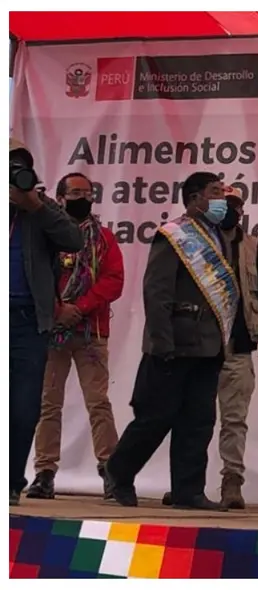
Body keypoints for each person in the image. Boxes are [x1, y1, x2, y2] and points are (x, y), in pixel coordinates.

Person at [105, 172, 236, 511]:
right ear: (194, 198)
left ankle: (187, 490)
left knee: (199, 421)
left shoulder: (218, 236)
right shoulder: (174, 236)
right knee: (155, 416)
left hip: (208, 346)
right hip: (174, 342)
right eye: (214, 192)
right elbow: (157, 290)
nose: (221, 199)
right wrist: (161, 340)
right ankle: (118, 471)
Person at [160, 187, 258, 510]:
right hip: (199, 347)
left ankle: (232, 481)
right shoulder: (195, 243)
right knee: (192, 419)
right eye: (225, 204)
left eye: (236, 205)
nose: (231, 210)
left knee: (234, 419)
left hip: (238, 346)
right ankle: (186, 484)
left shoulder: (254, 246)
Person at [27, 173, 125, 501]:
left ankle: (111, 472)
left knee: (99, 402)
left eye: (87, 192)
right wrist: (57, 310)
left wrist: (79, 308)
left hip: (90, 331)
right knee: (47, 403)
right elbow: (35, 277)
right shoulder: (44, 235)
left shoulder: (105, 238)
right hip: (52, 330)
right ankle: (44, 472)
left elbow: (114, 280)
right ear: (59, 197)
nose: (82, 198)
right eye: (75, 192)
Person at [9, 139, 84, 506]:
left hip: (26, 321)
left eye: (20, 169)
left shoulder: (40, 210)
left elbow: (74, 239)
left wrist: (36, 206)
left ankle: (9, 480)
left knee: (23, 407)